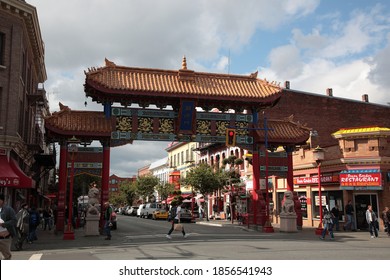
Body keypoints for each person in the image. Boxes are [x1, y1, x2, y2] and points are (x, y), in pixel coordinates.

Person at [0, 194, 17, 260]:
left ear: (2, 201)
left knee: (6, 257)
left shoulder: (8, 209)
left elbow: (14, 220)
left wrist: (3, 224)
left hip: (5, 238)